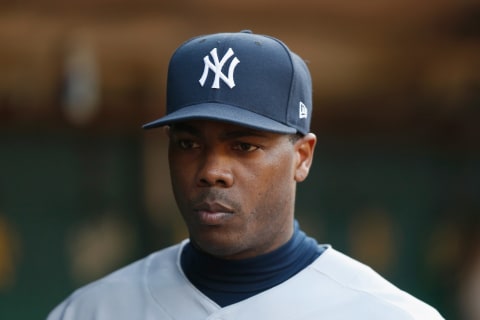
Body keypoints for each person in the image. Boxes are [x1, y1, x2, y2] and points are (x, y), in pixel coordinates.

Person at [47, 30, 444, 319]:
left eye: (244, 146)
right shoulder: (91, 311)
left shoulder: (386, 313)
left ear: (302, 157)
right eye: (188, 144)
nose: (211, 171)